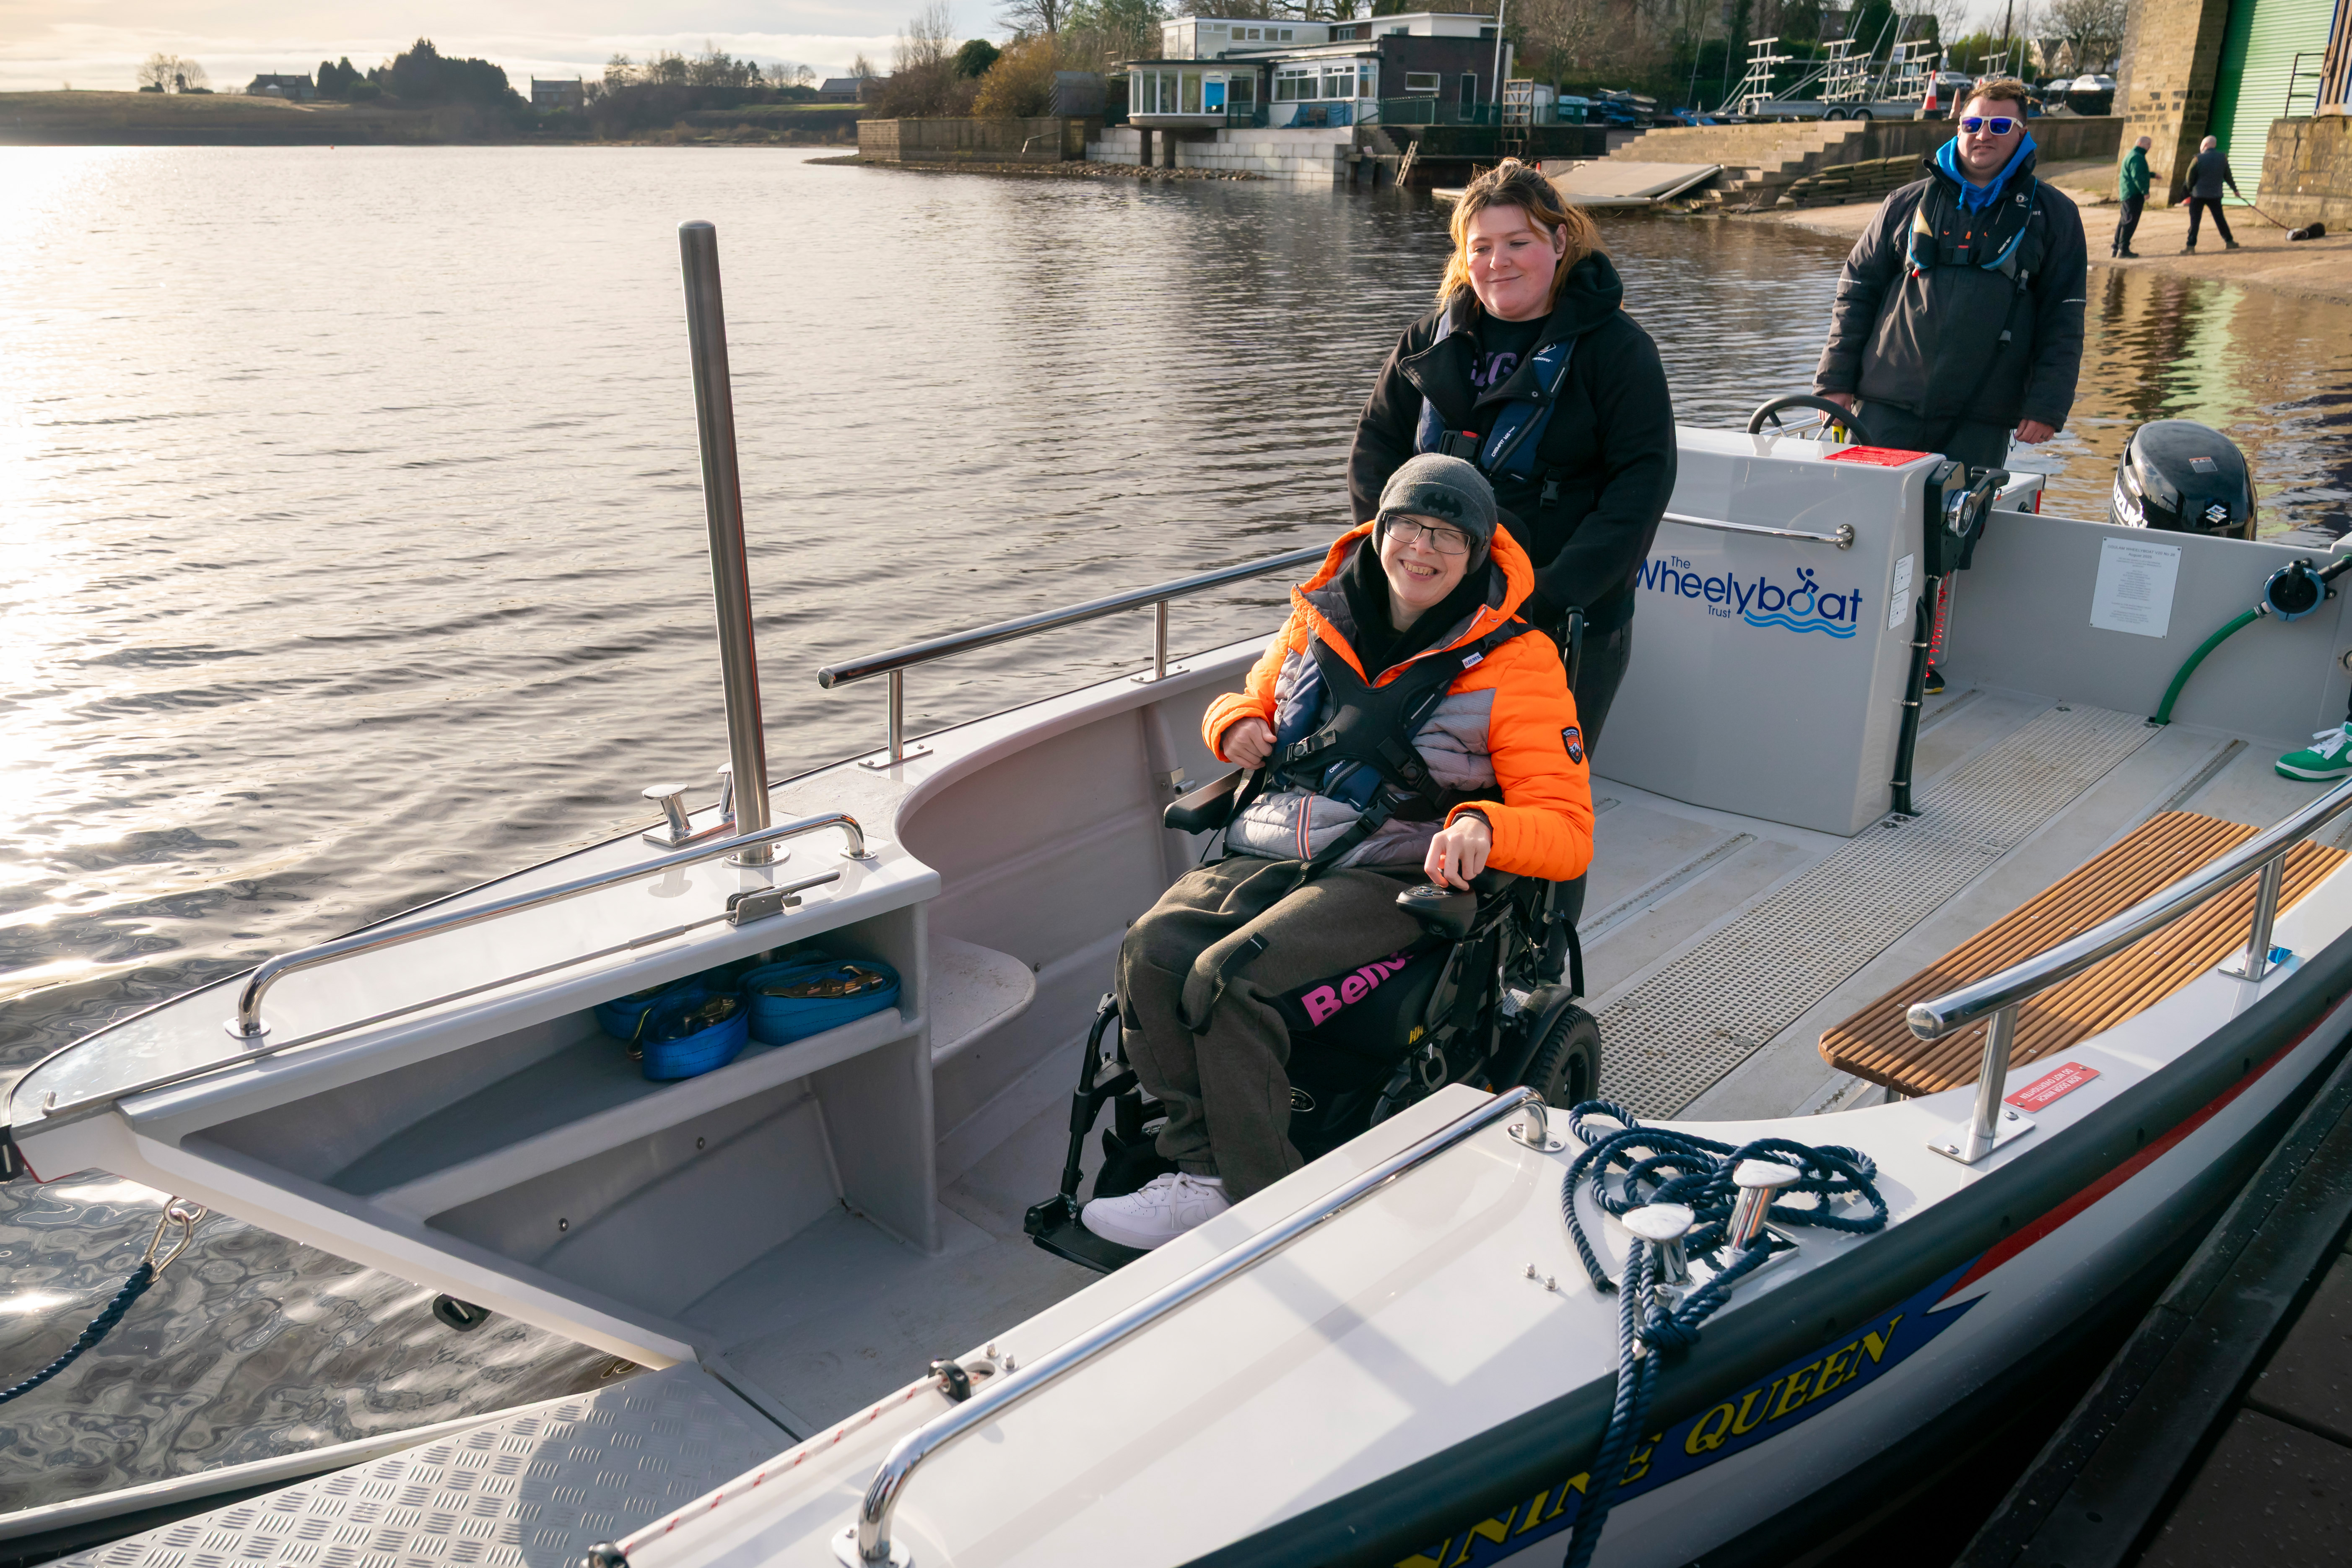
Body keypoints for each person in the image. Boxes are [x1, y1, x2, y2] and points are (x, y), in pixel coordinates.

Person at [1080, 455, 1594, 1250]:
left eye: (1447, 535)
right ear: (1377, 531)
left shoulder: (1521, 664)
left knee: (1230, 979)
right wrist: (1232, 724)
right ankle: (1202, 1172)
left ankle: (1265, 1211)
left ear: (1480, 550)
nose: (1422, 550)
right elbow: (1249, 696)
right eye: (1408, 527)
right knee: (1150, 950)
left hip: (1398, 868)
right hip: (1277, 841)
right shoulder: (1316, 618)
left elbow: (1566, 830)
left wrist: (1485, 828)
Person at [1346, 158, 1675, 758]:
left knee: (1534, 791)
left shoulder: (1618, 352)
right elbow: (1376, 449)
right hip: (1431, 604)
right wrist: (1397, 559)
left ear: (1558, 240)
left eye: (1517, 242)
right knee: (1422, 784)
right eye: (1481, 247)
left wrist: (1551, 594)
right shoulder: (1427, 340)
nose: (1497, 262)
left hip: (1556, 617)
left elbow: (1641, 485)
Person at [1813, 77, 2087, 694]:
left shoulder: (2055, 215)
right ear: (1954, 125)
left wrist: (2046, 404)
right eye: (1971, 123)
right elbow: (1855, 291)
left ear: (2021, 133)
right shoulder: (1905, 201)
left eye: (1998, 125)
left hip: (1982, 413)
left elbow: (2064, 317)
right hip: (1886, 402)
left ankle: (1919, 656)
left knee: (1948, 540)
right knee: (1863, 526)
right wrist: (1834, 381)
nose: (1981, 136)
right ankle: (1853, 643)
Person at [2184, 134, 2243, 252]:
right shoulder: (2223, 158)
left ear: (2205, 145)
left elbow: (2189, 177)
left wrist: (2190, 190)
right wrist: (2235, 190)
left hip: (2198, 195)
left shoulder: (2197, 159)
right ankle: (2229, 241)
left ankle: (2190, 247)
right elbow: (2228, 176)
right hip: (2215, 195)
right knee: (2220, 219)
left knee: (2195, 221)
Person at [2114, 134, 2152, 258]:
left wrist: (2152, 175)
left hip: (2127, 193)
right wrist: (2145, 191)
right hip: (2133, 194)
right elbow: (2138, 176)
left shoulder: (2132, 155)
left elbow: (2138, 173)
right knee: (2130, 221)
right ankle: (2123, 250)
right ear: (2140, 144)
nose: (2149, 148)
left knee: (2124, 221)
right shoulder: (2138, 157)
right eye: (2148, 145)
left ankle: (2116, 248)